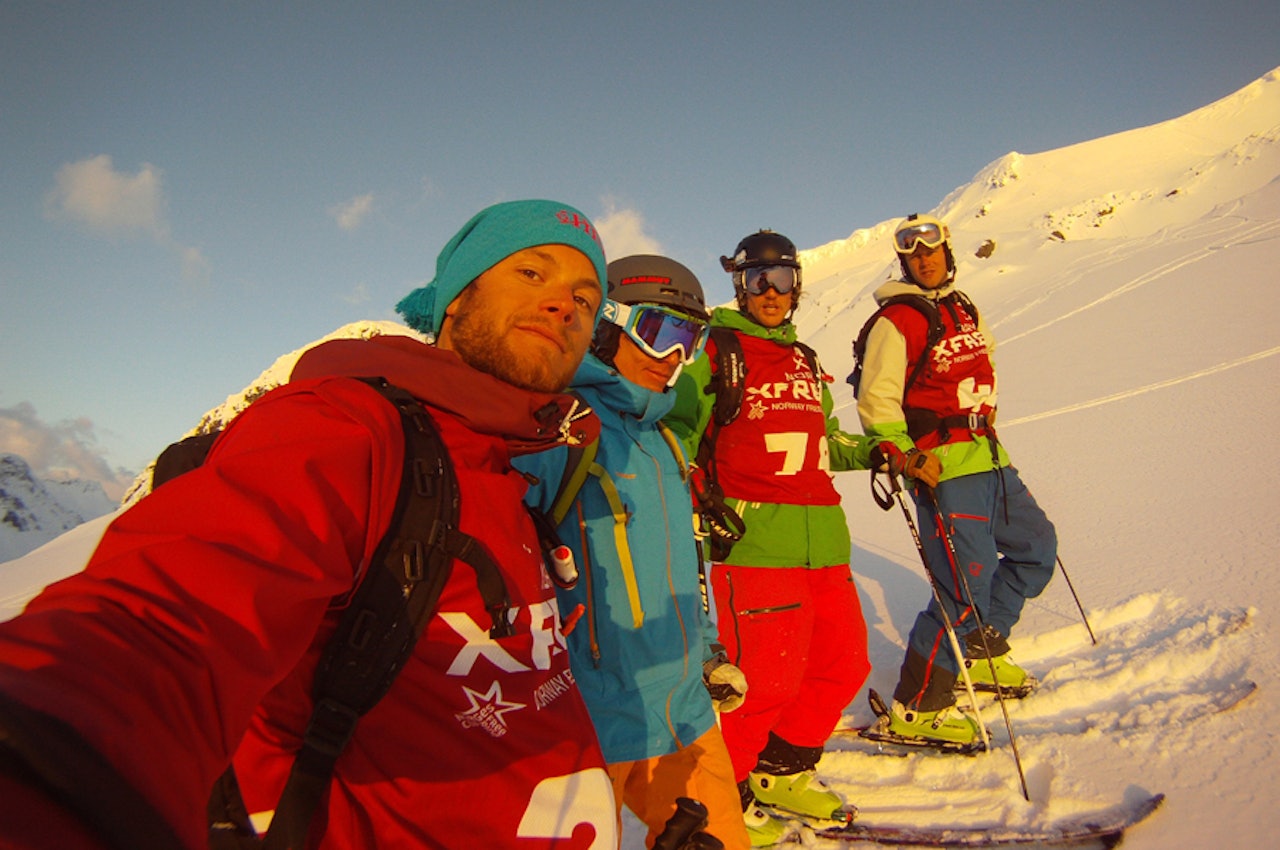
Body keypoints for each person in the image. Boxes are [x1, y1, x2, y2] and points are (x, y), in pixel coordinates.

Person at [0, 200, 622, 850]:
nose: (565, 305)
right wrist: (43, 764)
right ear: (456, 300)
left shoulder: (507, 467)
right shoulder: (348, 427)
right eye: (531, 273)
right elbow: (166, 617)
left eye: (585, 297)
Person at [518, 254, 751, 850]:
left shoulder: (665, 439)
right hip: (592, 718)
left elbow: (682, 564)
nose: (676, 357)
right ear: (606, 324)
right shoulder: (557, 429)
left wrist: (707, 652)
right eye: (662, 332)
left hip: (685, 714)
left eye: (691, 340)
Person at [668, 230, 873, 846]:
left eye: (781, 279)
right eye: (757, 280)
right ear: (739, 285)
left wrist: (884, 451)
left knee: (843, 666)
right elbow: (677, 433)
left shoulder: (806, 360)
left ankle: (781, 771)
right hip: (754, 547)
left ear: (797, 284)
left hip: (825, 544)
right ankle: (721, 805)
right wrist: (693, 498)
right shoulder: (715, 350)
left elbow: (825, 442)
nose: (770, 292)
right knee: (757, 690)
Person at [853, 213, 1057, 747]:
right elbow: (876, 398)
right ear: (905, 261)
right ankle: (917, 705)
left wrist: (984, 414)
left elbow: (985, 361)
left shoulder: (963, 305)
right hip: (941, 468)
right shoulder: (896, 321)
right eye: (913, 252)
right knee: (963, 586)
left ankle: (980, 648)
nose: (924, 257)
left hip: (988, 456)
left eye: (933, 249)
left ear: (948, 251)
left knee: (1036, 548)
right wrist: (903, 455)